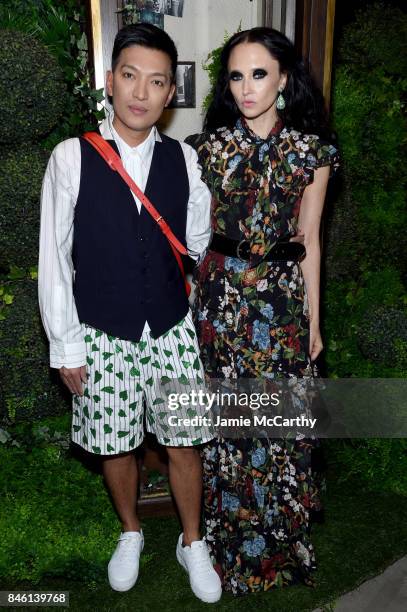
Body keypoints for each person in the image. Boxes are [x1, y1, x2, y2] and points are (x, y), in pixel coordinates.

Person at [38, 23, 221, 604]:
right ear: (110, 80)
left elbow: (196, 239)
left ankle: (193, 541)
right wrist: (65, 346)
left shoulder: (185, 161)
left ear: (170, 95)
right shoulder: (71, 158)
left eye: (157, 82)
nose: (141, 92)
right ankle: (132, 530)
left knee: (185, 444)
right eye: (130, 75)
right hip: (101, 331)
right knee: (115, 444)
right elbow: (54, 259)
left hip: (169, 328)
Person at [187, 27, 339, 595]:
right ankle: (225, 550)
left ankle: (283, 549)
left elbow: (312, 241)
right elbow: (191, 237)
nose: (247, 87)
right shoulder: (206, 149)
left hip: (280, 303)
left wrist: (315, 321)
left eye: (258, 73)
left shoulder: (312, 152)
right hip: (221, 299)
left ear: (281, 79)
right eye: (235, 75)